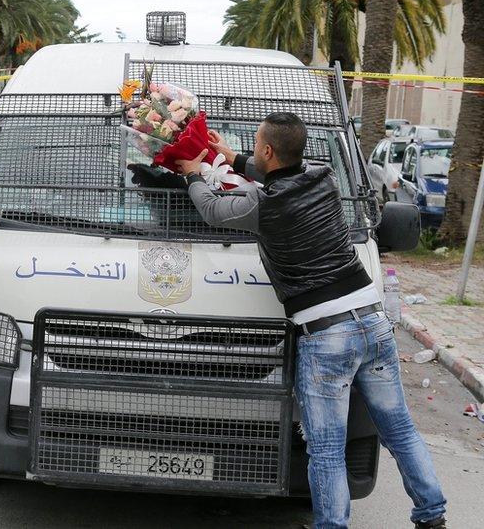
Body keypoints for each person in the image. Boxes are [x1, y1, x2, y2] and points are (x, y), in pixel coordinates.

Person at [177, 112, 447, 529]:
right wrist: (232, 157)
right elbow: (282, 172)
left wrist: (194, 174)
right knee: (400, 430)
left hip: (327, 336)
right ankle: (431, 515)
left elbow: (214, 211)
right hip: (371, 321)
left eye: (256, 144)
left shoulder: (263, 206)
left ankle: (332, 525)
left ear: (267, 150)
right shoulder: (324, 178)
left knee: (325, 449)